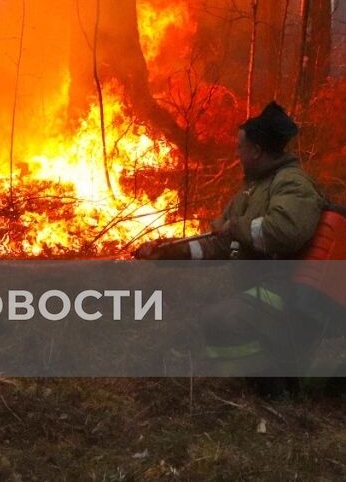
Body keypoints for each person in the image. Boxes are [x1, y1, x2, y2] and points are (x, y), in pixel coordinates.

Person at [135, 102, 327, 377]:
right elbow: (218, 243)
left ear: (256, 151)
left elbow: (284, 232)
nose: (237, 153)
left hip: (288, 291)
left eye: (240, 147)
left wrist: (235, 228)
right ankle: (255, 371)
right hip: (263, 288)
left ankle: (264, 383)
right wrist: (167, 253)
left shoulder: (292, 183)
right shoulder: (252, 191)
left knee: (219, 319)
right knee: (204, 317)